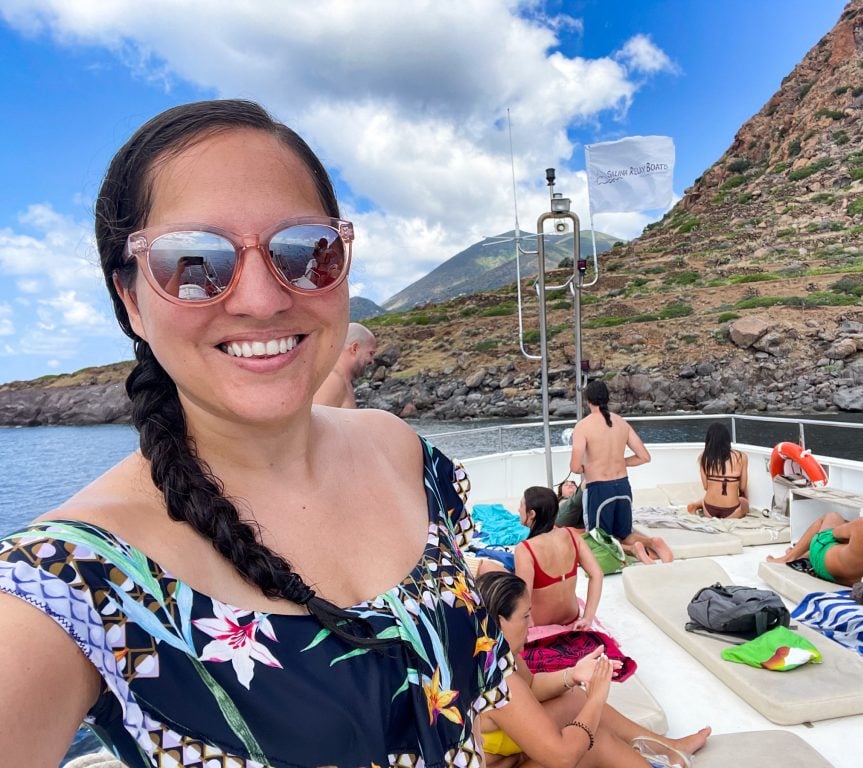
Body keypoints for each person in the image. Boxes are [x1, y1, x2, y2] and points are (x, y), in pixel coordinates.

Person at [0, 100, 511, 767]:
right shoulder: (70, 583)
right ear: (130, 298)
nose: (262, 299)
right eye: (194, 261)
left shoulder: (408, 457)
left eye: (306, 252)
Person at [475, 570, 710, 768]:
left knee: (572, 698)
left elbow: (532, 686)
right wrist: (596, 698)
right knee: (592, 742)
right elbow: (564, 757)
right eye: (525, 616)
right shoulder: (495, 679)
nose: (533, 624)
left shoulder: (489, 652)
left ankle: (667, 748)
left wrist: (573, 674)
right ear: (498, 620)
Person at [570, 381, 672, 564]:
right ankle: (651, 542)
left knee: (598, 539)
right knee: (624, 533)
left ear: (588, 401)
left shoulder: (583, 426)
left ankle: (633, 550)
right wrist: (619, 461)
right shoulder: (621, 423)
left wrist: (590, 466)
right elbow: (644, 456)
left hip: (600, 490)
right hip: (623, 487)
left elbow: (575, 467)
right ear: (607, 399)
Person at [512, 486, 603, 629]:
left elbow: (524, 598)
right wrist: (587, 618)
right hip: (571, 616)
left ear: (531, 514)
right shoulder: (572, 535)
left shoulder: (525, 549)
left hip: (540, 622)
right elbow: (597, 574)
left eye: (521, 505)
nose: (518, 509)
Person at [686, 423, 749, 519]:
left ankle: (697, 505)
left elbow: (706, 487)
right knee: (745, 502)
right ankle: (698, 504)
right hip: (732, 511)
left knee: (710, 495)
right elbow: (743, 487)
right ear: (727, 439)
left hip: (709, 510)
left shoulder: (704, 457)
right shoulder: (741, 457)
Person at [314, 321, 378, 408]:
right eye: (370, 353)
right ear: (354, 348)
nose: (372, 361)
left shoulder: (343, 381)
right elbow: (311, 420)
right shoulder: (332, 381)